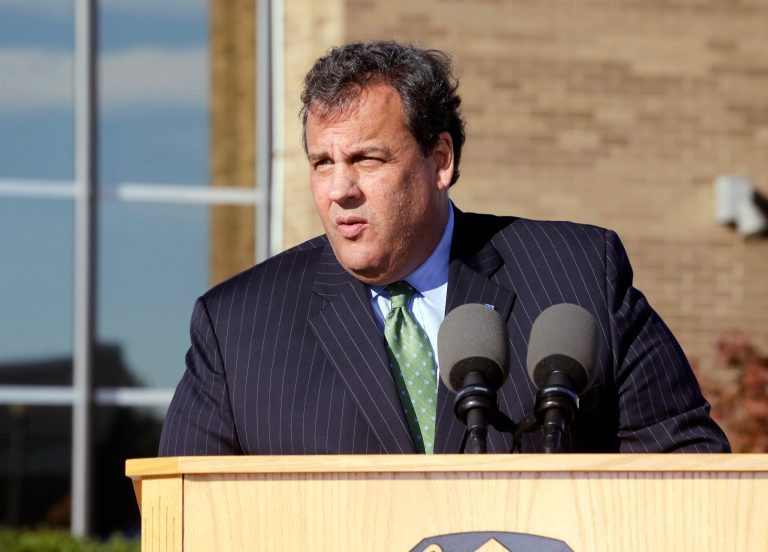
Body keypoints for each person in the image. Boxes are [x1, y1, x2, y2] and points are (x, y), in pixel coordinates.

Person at [159, 41, 729, 456]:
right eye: (322, 163)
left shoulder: (579, 276)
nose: (339, 190)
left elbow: (687, 467)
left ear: (440, 160)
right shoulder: (236, 327)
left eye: (367, 160)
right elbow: (181, 516)